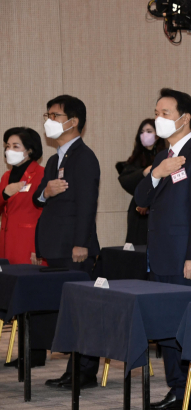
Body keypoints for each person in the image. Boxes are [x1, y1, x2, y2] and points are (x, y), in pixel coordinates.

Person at [135, 88, 191, 410]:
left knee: (185, 328)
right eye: (157, 112)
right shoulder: (162, 157)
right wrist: (157, 173)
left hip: (185, 258)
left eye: (165, 113)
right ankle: (177, 389)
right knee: (167, 328)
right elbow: (141, 200)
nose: (159, 119)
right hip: (160, 256)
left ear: (185, 118)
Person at [34, 95, 101, 389]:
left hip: (74, 248)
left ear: (73, 122)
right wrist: (45, 192)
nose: (49, 121)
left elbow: (87, 204)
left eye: (55, 115)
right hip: (54, 245)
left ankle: (85, 371)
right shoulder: (54, 158)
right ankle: (71, 370)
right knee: (67, 310)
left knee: (82, 310)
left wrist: (81, 243)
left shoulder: (84, 158)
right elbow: (40, 198)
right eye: (47, 115)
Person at [1, 127, 47, 369]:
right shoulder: (6, 177)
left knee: (31, 299)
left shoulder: (40, 174)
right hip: (8, 245)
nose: (9, 150)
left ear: (30, 150)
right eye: (7, 146)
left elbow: (43, 211)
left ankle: (35, 353)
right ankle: (24, 351)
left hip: (29, 244)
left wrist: (39, 249)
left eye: (15, 146)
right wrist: (4, 194)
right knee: (16, 299)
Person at [116, 119, 166, 245]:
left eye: (149, 131)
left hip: (161, 210)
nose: (145, 135)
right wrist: (144, 172)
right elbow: (125, 180)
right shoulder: (136, 157)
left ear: (158, 135)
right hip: (139, 212)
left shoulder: (166, 155)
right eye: (142, 132)